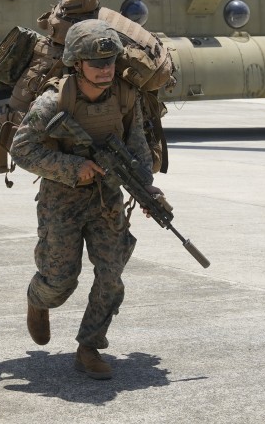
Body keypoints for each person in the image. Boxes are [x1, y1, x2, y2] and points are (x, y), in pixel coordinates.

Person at [10, 20, 162, 380]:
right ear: (77, 64)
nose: (105, 69)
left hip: (106, 199)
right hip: (61, 199)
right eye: (97, 63)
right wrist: (73, 166)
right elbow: (22, 149)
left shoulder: (126, 98)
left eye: (110, 62)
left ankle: (89, 347)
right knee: (61, 280)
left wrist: (147, 189)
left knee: (111, 276)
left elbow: (137, 150)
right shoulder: (54, 101)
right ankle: (38, 299)